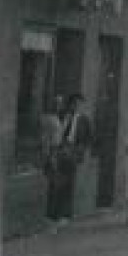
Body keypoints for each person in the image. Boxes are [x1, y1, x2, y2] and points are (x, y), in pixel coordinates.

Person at [48, 94, 93, 230]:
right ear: (70, 104)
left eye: (79, 104)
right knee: (57, 183)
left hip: (73, 152)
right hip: (60, 150)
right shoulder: (62, 116)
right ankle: (53, 214)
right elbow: (55, 132)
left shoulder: (84, 120)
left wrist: (80, 150)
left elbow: (89, 138)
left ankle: (65, 215)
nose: (76, 107)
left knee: (68, 183)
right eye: (74, 104)